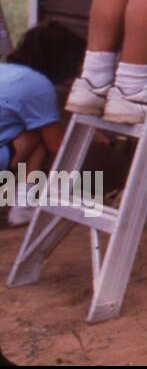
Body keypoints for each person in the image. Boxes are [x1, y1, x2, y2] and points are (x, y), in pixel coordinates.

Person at [1, 20, 85, 226]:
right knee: (40, 137)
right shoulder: (39, 85)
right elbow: (57, 146)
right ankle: (23, 207)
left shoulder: (5, 70)